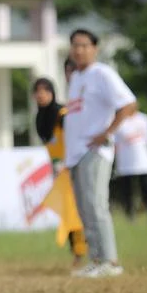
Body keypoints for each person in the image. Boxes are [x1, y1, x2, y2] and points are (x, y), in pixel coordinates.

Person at [63, 29, 138, 278]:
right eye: (75, 45)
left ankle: (111, 261)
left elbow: (128, 103)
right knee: (85, 208)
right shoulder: (76, 78)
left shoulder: (102, 74)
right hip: (75, 153)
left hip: (94, 150)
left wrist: (107, 132)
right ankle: (97, 259)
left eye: (84, 45)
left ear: (95, 48)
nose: (79, 50)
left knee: (96, 204)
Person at [32, 76, 88, 266]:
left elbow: (73, 140)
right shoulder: (41, 119)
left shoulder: (62, 115)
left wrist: (69, 163)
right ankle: (77, 251)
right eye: (37, 92)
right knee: (68, 211)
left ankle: (84, 251)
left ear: (52, 93)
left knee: (75, 211)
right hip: (58, 171)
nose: (41, 95)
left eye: (45, 91)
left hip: (71, 167)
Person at [113, 111, 147, 223]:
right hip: (125, 162)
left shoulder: (144, 118)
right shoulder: (118, 120)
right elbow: (115, 142)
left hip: (143, 160)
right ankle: (130, 215)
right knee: (127, 190)